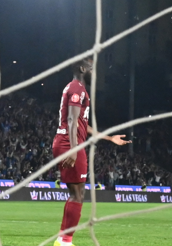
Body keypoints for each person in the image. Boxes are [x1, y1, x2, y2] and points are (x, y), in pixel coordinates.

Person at [51, 58, 129, 245]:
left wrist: (109, 138)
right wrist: (73, 149)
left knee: (77, 193)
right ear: (81, 68)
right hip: (70, 143)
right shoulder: (76, 88)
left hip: (70, 142)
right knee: (78, 195)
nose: (94, 71)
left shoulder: (78, 89)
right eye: (91, 68)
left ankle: (63, 239)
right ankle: (65, 241)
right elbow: (71, 120)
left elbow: (82, 124)